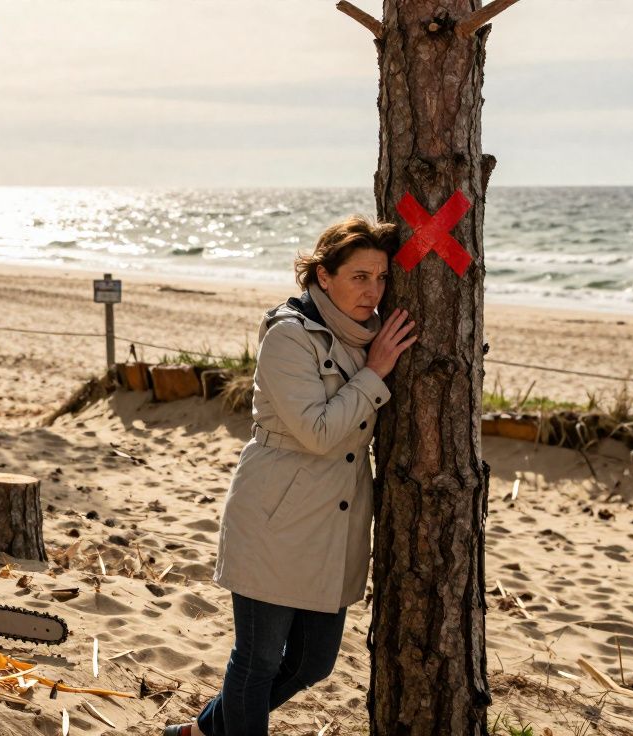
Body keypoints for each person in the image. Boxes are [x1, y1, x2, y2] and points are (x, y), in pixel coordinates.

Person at [165, 216, 418, 736]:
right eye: (359, 277)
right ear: (323, 276)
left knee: (312, 664)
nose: (374, 291)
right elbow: (319, 432)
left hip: (335, 524)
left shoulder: (365, 335)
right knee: (256, 661)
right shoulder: (289, 336)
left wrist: (374, 363)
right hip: (275, 518)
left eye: (381, 277)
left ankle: (202, 732)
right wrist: (376, 371)